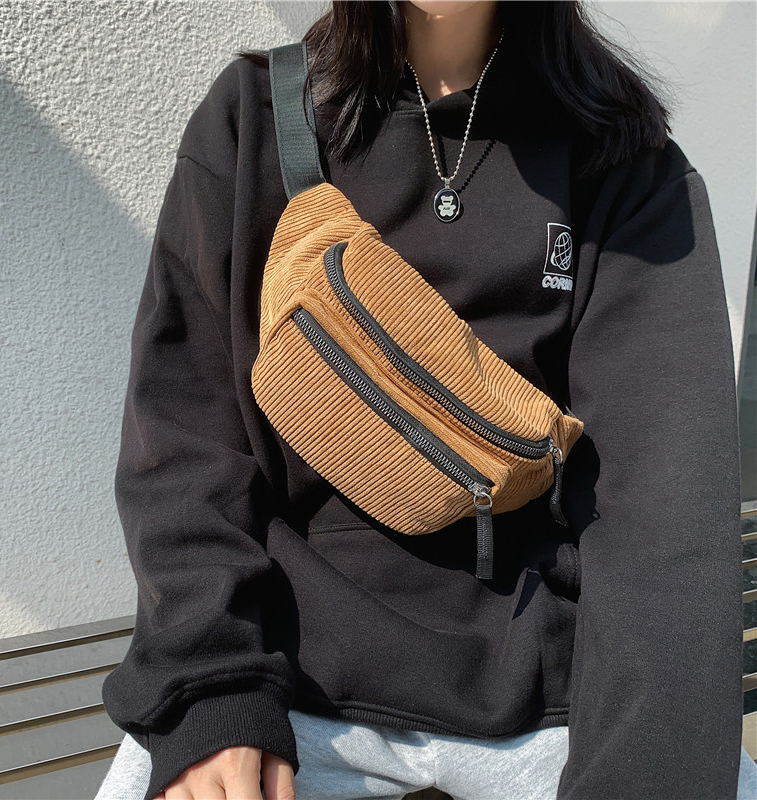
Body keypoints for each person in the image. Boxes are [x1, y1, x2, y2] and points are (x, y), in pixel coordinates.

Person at [95, 2, 757, 799]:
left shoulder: (623, 162)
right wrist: (211, 693)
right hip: (285, 680)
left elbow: (662, 511)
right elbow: (183, 440)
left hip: (550, 702)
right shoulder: (256, 120)